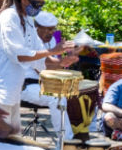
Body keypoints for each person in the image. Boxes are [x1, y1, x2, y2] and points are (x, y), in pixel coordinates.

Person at [0, 0, 75, 136]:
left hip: (13, 88)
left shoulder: (28, 21)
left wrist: (61, 62)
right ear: (24, 0)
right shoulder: (9, 18)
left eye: (42, 4)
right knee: (0, 139)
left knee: (11, 139)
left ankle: (66, 143)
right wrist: (52, 51)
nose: (39, 8)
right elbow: (19, 54)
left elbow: (39, 55)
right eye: (37, 4)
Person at [16, 11, 78, 139]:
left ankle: (82, 135)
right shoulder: (28, 41)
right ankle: (66, 143)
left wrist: (67, 59)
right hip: (25, 86)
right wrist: (62, 63)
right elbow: (44, 68)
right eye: (48, 30)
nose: (51, 33)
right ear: (37, 28)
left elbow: (52, 66)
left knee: (77, 92)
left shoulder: (52, 40)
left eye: (53, 29)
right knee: (57, 98)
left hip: (43, 84)